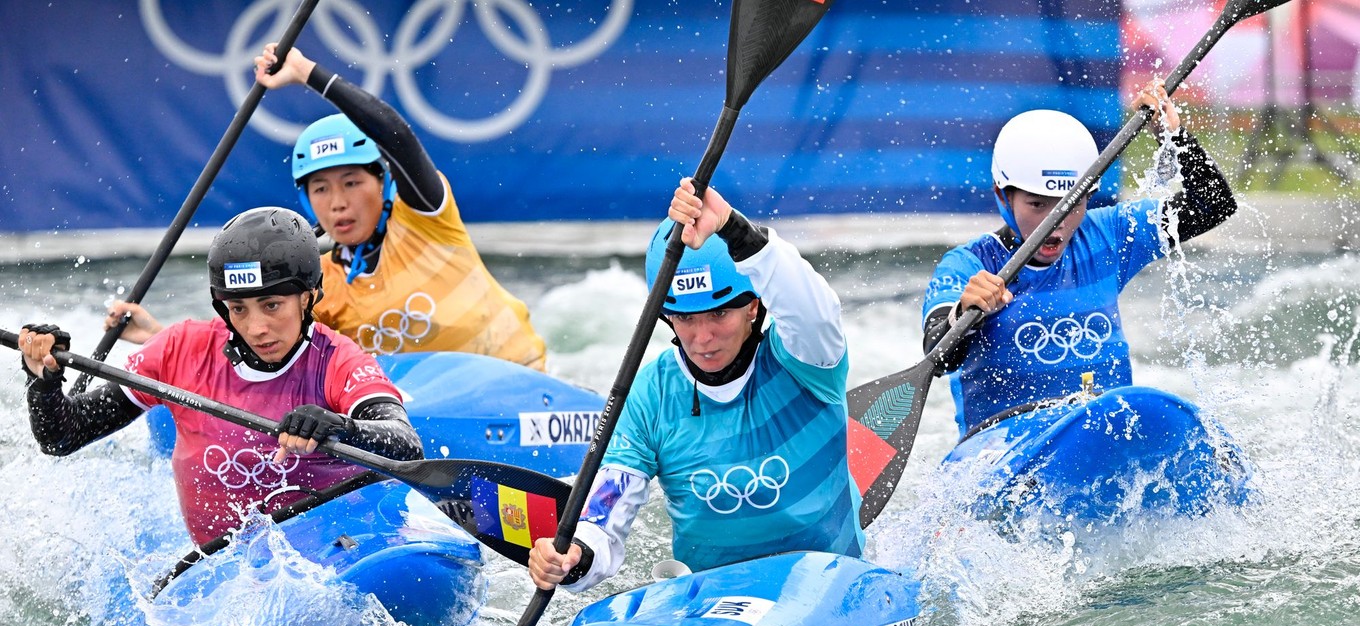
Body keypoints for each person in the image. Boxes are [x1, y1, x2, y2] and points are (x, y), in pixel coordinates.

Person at [108, 42, 546, 370]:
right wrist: (157, 336)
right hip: (428, 415)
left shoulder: (429, 220)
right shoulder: (319, 283)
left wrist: (307, 73)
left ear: (383, 181)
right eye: (320, 190)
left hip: (525, 390)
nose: (338, 204)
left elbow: (397, 138)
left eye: (352, 183)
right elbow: (257, 344)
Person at [527, 180, 863, 591]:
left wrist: (733, 229)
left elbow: (812, 309)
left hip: (827, 585)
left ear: (753, 306)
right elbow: (606, 507)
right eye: (685, 319)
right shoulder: (651, 393)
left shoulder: (806, 358)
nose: (702, 338)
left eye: (719, 313)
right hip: (711, 600)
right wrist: (576, 555)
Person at [20, 207, 423, 547]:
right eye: (238, 308)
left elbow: (407, 446)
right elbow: (62, 437)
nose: (256, 327)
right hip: (223, 572)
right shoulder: (180, 349)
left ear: (308, 296)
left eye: (271, 305)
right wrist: (43, 380)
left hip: (339, 544)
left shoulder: (338, 359)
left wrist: (339, 426)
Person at [920, 80, 1238, 440]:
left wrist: (1174, 137)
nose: (1055, 224)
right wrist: (964, 314)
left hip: (1100, 439)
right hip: (1004, 451)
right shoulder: (968, 265)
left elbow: (1213, 205)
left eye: (1071, 205)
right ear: (1002, 196)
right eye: (1037, 205)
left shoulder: (1111, 233)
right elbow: (938, 356)